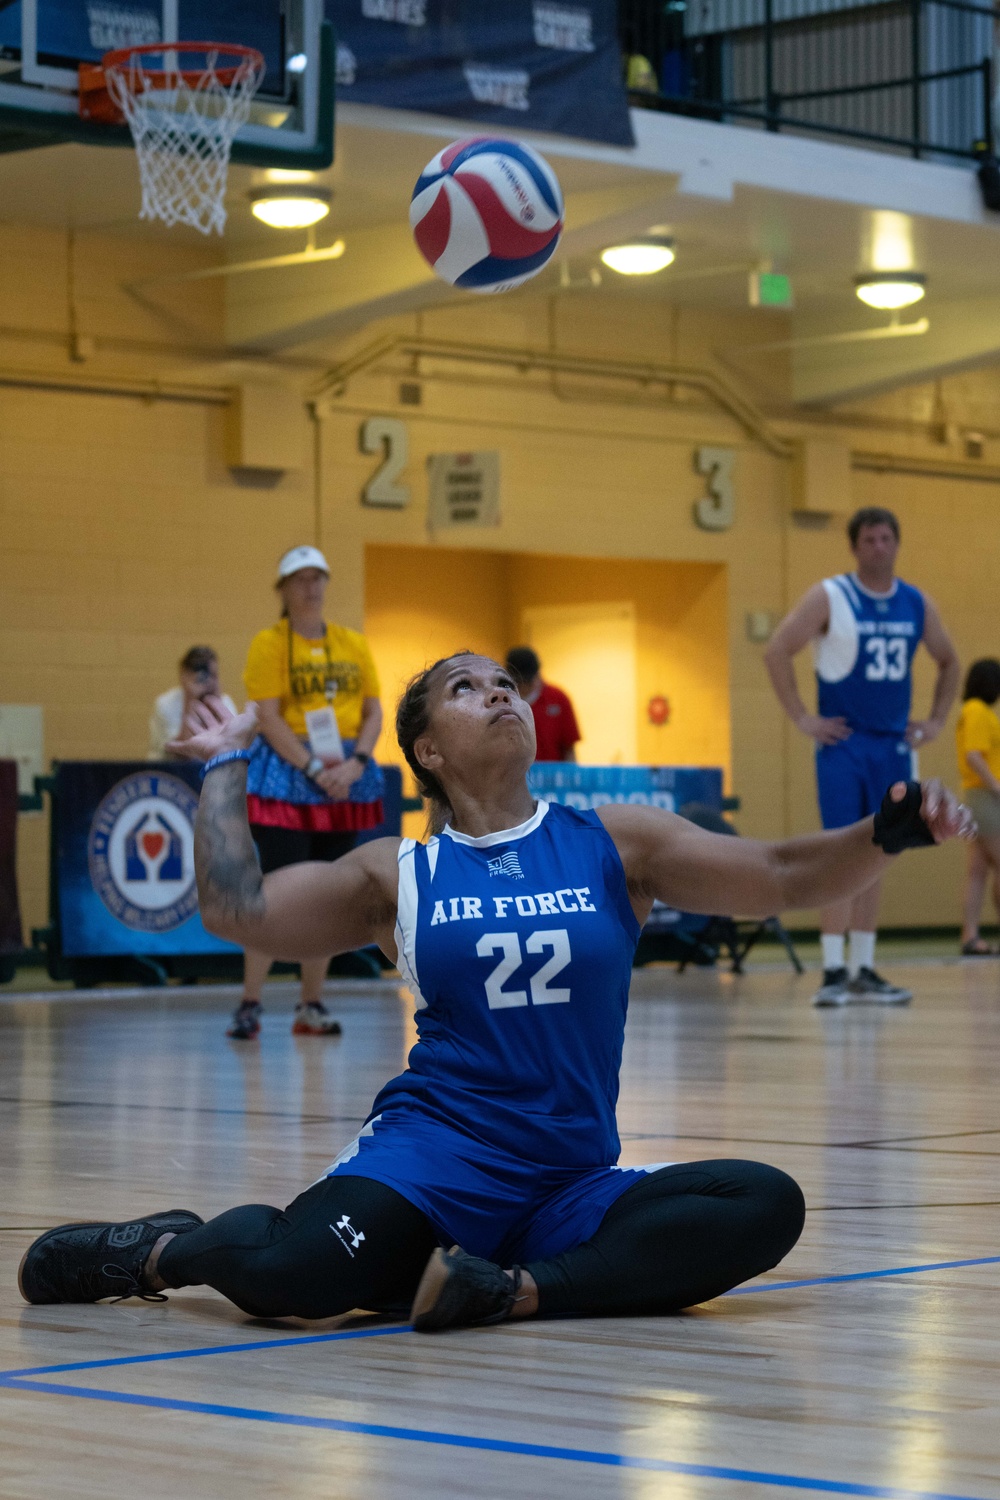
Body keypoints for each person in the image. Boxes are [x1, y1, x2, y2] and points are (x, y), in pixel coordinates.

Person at [18, 654, 973, 1331]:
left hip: (568, 1182)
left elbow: (775, 873)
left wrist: (882, 834)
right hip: (433, 1163)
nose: (499, 694)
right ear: (428, 751)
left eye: (504, 682)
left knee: (763, 1203)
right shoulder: (402, 871)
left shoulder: (615, 840)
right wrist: (227, 767)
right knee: (292, 1278)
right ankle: (158, 1252)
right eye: (465, 690)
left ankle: (508, 1290)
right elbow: (238, 912)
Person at [765, 506, 960, 1007]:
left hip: (893, 745)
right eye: (869, 539)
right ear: (854, 547)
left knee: (882, 852)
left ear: (898, 544)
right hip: (844, 744)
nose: (879, 547)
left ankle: (865, 968)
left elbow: (949, 660)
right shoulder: (831, 595)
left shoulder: (916, 602)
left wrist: (936, 720)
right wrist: (802, 718)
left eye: (886, 538)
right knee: (839, 850)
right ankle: (832, 968)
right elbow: (777, 649)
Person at [229, 544, 385, 1041]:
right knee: (275, 893)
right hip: (288, 773)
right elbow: (268, 716)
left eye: (319, 576)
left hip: (345, 776)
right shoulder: (269, 643)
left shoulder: (352, 643)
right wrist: (315, 767)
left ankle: (311, 1004)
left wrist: (357, 761)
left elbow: (373, 710)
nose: (312, 586)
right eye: (300, 578)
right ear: (283, 589)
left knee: (326, 896)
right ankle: (251, 1001)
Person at [956, 658, 1000, 956]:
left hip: (974, 797)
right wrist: (997, 787)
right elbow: (974, 755)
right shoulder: (979, 712)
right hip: (985, 798)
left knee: (977, 872)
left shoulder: (968, 712)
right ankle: (971, 935)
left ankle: (969, 936)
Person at [147, 646, 236, 761]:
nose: (207, 680)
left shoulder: (226, 702)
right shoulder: (166, 704)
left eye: (213, 675)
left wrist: (216, 699)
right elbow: (181, 752)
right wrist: (190, 699)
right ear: (184, 673)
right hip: (172, 772)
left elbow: (230, 747)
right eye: (202, 673)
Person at [505, 646, 580, 762]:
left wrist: (572, 777)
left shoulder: (558, 699)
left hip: (551, 776)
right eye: (519, 682)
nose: (524, 686)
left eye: (528, 681)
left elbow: (569, 748)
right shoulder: (502, 700)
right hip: (512, 776)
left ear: (537, 674)